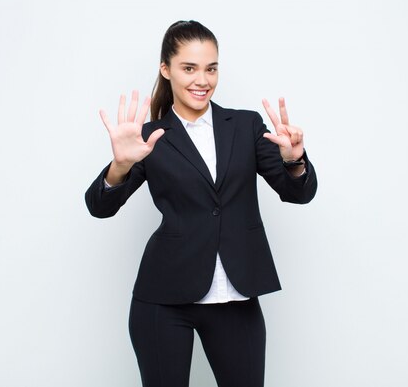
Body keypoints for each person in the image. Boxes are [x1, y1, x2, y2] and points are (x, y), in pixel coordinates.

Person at [85, 20, 317, 387]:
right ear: (166, 69)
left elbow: (298, 193)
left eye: (211, 68)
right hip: (163, 298)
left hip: (236, 296)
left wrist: (294, 160)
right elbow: (99, 206)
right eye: (189, 68)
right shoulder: (150, 136)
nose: (202, 80)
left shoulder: (246, 126)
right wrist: (120, 165)